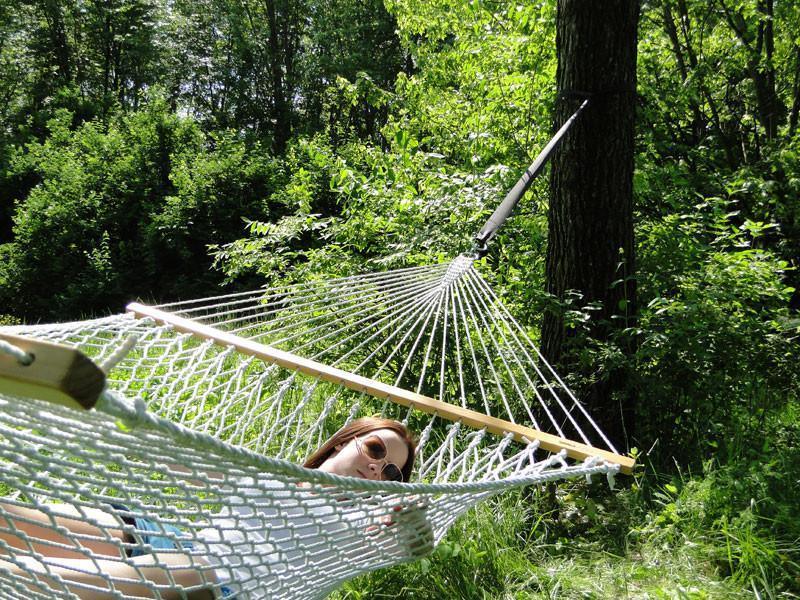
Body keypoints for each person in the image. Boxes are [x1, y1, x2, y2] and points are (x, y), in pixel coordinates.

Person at [0, 418, 430, 599]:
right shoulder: (272, 474)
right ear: (344, 441)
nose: (377, 467)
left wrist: (412, 519)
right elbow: (194, 466)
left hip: (221, 586)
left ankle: (15, 580)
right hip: (178, 543)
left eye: (391, 471)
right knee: (85, 523)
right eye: (375, 448)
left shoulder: (366, 523)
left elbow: (415, 545)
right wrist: (138, 427)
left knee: (192, 565)